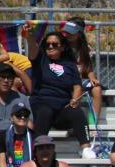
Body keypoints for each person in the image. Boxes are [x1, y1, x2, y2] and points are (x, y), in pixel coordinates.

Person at [22, 26, 94, 157]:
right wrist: (30, 38)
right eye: (47, 44)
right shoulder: (41, 59)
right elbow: (33, 51)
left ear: (62, 47)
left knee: (77, 112)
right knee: (45, 112)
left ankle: (86, 148)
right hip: (42, 103)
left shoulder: (70, 65)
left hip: (62, 107)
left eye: (54, 44)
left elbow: (77, 86)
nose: (50, 47)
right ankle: (37, 149)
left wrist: (75, 100)